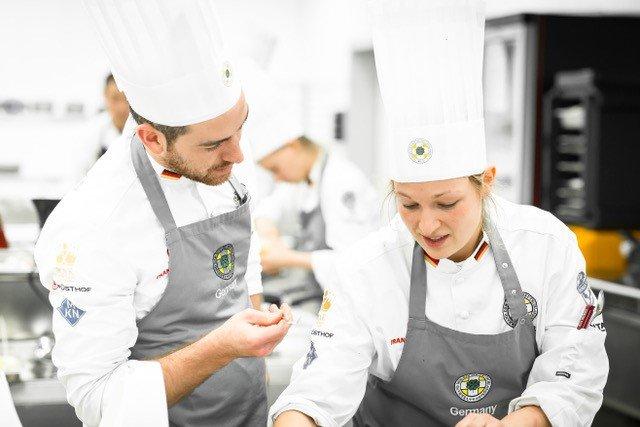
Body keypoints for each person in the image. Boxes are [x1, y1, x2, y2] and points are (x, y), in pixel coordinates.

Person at [270, 1, 608, 426]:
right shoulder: (366, 269)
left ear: (486, 182)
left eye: (447, 203)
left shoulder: (546, 246)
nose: (426, 225)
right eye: (408, 204)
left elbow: (575, 371)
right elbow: (317, 389)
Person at [34, 1, 291, 426]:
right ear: (152, 139)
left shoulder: (224, 148)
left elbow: (245, 264)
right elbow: (98, 399)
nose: (239, 154)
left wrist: (256, 337)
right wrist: (222, 347)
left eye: (241, 127)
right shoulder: (95, 225)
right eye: (214, 145)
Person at [243, 68, 379, 292]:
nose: (277, 178)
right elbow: (270, 207)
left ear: (292, 146)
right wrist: (268, 233)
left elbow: (354, 263)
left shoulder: (340, 181)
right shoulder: (305, 179)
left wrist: (287, 257)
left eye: (275, 168)